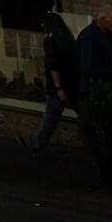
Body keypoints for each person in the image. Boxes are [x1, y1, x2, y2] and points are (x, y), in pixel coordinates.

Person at [18, 13, 78, 153]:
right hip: (72, 82)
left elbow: (53, 65)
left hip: (58, 87)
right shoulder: (68, 39)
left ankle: (34, 144)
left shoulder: (50, 41)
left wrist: (58, 87)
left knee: (50, 119)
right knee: (82, 114)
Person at [77, 2, 112, 99]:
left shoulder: (110, 33)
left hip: (109, 86)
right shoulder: (89, 36)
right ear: (102, 20)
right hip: (95, 88)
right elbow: (88, 66)